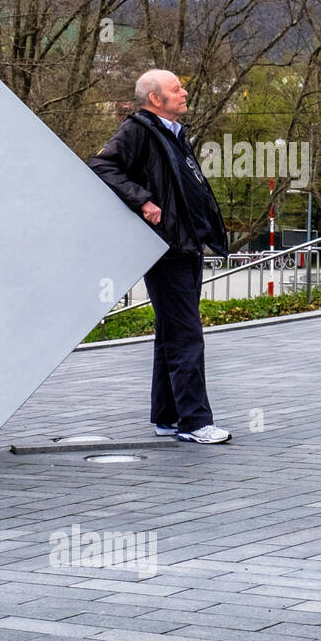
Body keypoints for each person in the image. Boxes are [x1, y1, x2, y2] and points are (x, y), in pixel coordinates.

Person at [88, 69, 232, 444]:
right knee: (187, 335)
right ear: (155, 99)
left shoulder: (172, 134)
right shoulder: (138, 130)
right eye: (176, 89)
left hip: (185, 246)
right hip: (166, 249)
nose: (184, 93)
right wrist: (143, 201)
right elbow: (100, 166)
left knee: (171, 333)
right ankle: (195, 422)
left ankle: (167, 417)